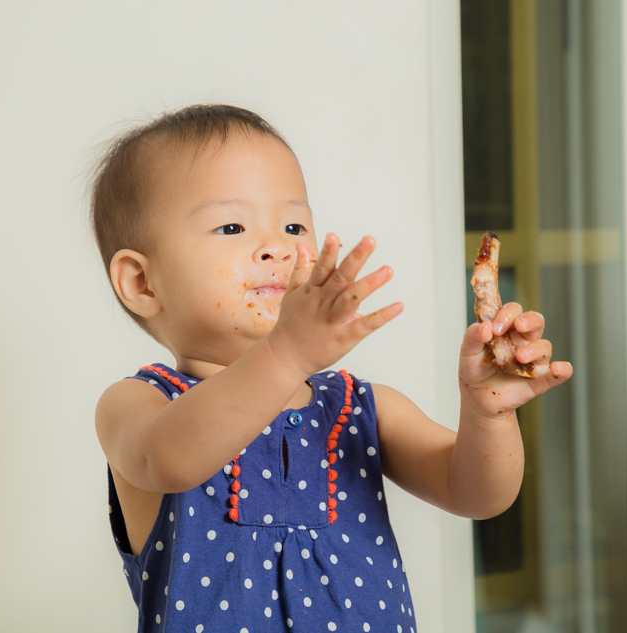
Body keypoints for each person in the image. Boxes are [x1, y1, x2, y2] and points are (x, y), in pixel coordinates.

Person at [90, 104, 572, 633]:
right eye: (231, 226)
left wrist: (488, 414)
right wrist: (286, 355)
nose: (278, 246)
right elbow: (171, 460)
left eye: (293, 224)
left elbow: (478, 496)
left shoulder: (360, 408)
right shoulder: (139, 405)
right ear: (141, 283)